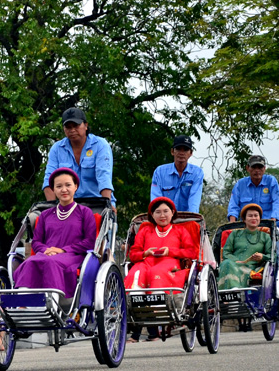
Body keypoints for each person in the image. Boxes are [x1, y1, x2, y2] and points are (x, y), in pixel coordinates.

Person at [14, 168, 97, 298]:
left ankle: (52, 303)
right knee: (30, 262)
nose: (64, 189)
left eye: (68, 185)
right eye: (59, 186)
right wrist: (48, 250)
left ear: (75, 186)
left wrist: (62, 250)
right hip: (46, 254)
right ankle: (23, 304)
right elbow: (36, 241)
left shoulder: (85, 212)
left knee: (51, 262)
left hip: (73, 256)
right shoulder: (45, 215)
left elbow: (89, 242)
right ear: (53, 190)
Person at [125, 197, 198, 342]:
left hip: (170, 264)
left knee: (157, 272)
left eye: (166, 211)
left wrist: (170, 251)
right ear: (152, 215)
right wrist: (145, 253)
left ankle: (163, 312)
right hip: (146, 262)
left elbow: (192, 252)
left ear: (172, 213)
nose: (162, 215)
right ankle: (134, 314)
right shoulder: (145, 230)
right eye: (158, 212)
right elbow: (133, 254)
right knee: (135, 274)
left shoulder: (180, 230)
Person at [43, 107, 114, 206]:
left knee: (104, 218)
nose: (72, 130)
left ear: (85, 125)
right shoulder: (57, 149)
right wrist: (52, 208)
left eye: (76, 126)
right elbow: (48, 180)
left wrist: (107, 206)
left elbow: (104, 177)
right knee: (34, 217)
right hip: (67, 205)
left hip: (97, 202)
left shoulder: (100, 145)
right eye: (68, 127)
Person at [219, 203, 273, 290]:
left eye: (256, 215)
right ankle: (231, 292)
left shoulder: (265, 236)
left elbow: (273, 256)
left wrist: (262, 257)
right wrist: (236, 260)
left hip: (252, 269)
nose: (253, 218)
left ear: (260, 218)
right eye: (250, 216)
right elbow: (226, 252)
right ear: (244, 219)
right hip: (233, 265)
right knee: (226, 263)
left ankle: (235, 292)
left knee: (228, 264)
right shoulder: (235, 234)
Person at [150, 135, 204, 213]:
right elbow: (156, 201)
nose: (181, 153)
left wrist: (192, 219)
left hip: (187, 218)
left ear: (191, 153)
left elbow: (194, 201)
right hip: (164, 218)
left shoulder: (197, 173)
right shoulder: (159, 172)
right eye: (178, 149)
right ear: (172, 151)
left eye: (185, 150)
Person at [227, 155, 278, 222]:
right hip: (246, 226)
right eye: (254, 167)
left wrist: (273, 221)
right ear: (248, 168)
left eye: (260, 167)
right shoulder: (240, 184)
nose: (257, 170)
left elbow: (277, 202)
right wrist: (232, 224)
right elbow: (233, 205)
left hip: (268, 224)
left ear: (264, 168)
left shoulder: (271, 182)